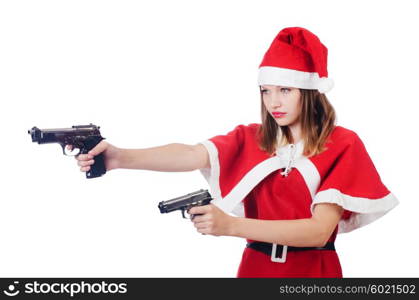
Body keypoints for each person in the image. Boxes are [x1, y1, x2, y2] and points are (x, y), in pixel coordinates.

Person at [72, 27, 399, 277]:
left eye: (285, 90)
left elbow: (318, 230)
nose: (273, 102)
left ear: (310, 92)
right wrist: (119, 157)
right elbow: (189, 154)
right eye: (266, 91)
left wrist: (231, 226)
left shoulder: (342, 143)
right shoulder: (251, 138)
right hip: (254, 270)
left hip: (313, 273)